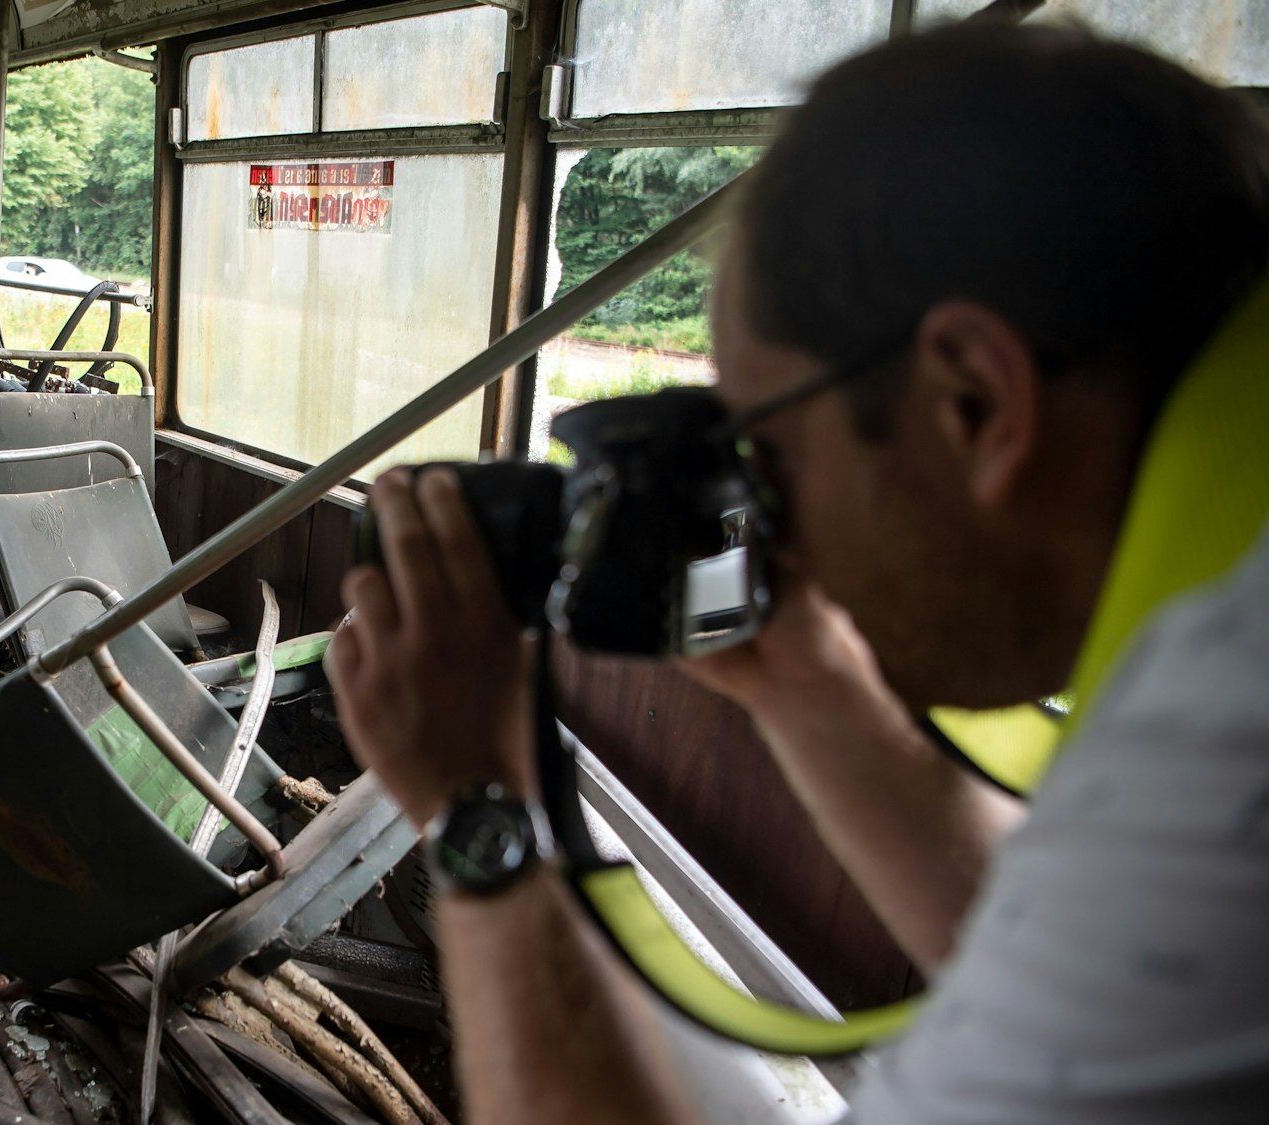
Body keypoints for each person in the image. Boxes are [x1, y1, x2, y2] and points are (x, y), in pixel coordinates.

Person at [327, 18, 1269, 1123]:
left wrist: (478, 803)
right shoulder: (1214, 671)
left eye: (764, 453)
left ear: (973, 404)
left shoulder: (1223, 790)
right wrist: (797, 669)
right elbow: (1076, 928)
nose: (755, 515)